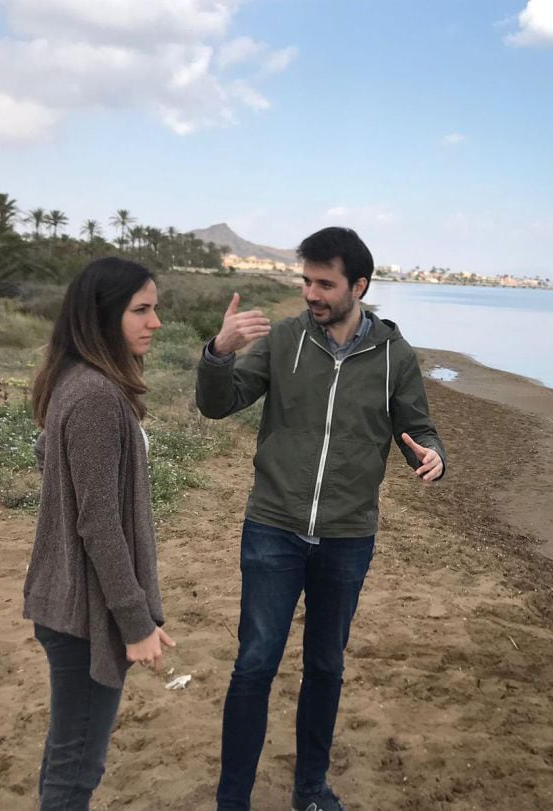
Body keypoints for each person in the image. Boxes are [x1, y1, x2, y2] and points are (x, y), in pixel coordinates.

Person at [197, 226, 446, 811]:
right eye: (306, 280)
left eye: (324, 283)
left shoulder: (393, 356)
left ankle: (310, 788)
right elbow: (218, 403)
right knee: (255, 662)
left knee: (326, 665)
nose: (311, 292)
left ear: (359, 285)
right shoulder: (284, 340)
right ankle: (232, 800)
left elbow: (419, 425)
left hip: (347, 536)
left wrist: (432, 453)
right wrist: (218, 352)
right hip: (273, 527)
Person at [25, 257, 175, 809]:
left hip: (66, 603)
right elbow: (99, 524)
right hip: (85, 615)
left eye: (154, 308)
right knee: (76, 769)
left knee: (68, 753)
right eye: (141, 310)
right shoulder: (94, 396)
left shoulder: (75, 381)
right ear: (102, 317)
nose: (155, 322)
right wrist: (135, 623)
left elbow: (50, 457)